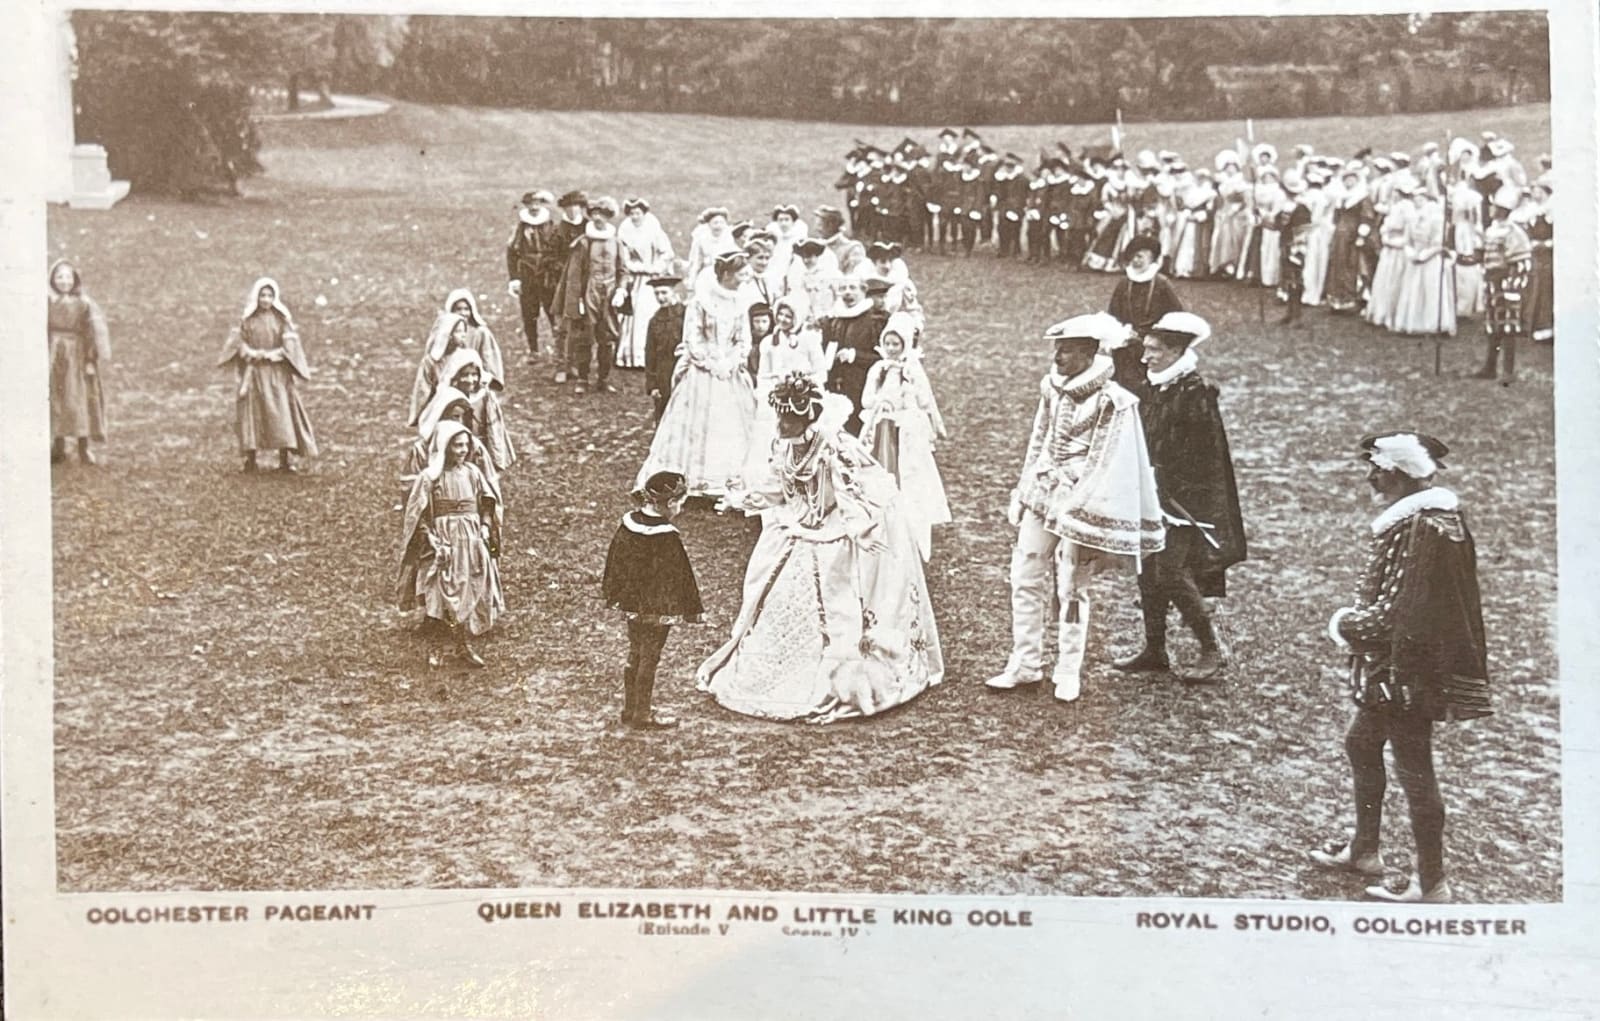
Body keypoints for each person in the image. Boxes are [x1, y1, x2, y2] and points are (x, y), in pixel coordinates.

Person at [700, 373, 944, 722]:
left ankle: (836, 676)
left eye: (789, 418)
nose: (782, 424)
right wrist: (741, 499)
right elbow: (776, 487)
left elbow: (852, 495)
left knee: (833, 597)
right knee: (773, 591)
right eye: (780, 416)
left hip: (833, 531)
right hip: (797, 527)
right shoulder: (783, 445)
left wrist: (860, 531)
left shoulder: (833, 448)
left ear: (807, 417)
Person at [1310, 430, 1490, 904]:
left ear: (1401, 475)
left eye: (1378, 469)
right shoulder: (1432, 519)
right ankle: (1365, 850)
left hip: (1406, 671)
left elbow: (1394, 612)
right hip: (1403, 666)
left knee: (1415, 769)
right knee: (1361, 742)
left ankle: (1432, 884)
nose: (1371, 476)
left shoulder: (1422, 528)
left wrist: (1345, 624)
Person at [987, 312, 1165, 704]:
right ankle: (1025, 662)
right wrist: (1023, 487)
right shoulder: (1050, 389)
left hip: (1079, 504)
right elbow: (1039, 440)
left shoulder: (1113, 400)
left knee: (1072, 588)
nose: (1058, 356)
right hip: (1042, 493)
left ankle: (1067, 669)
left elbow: (1107, 462)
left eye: (1066, 350)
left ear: (1088, 352)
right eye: (1057, 348)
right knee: (1025, 574)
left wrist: (1078, 508)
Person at [1114, 312, 1246, 684]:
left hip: (1185, 503)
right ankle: (1155, 649)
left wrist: (1173, 489)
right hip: (1155, 494)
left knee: (1170, 572)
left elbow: (1204, 456)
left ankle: (1212, 648)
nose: (1146, 357)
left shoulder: (1195, 394)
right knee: (1147, 571)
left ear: (1175, 350)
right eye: (1146, 349)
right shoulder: (1159, 387)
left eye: (1154, 350)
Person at [636, 252, 757, 499]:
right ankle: (695, 480)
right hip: (704, 371)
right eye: (740, 273)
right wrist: (712, 363)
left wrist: (732, 361)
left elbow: (744, 338)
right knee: (697, 425)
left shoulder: (740, 301)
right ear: (726, 274)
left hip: (730, 371)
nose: (745, 278)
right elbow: (692, 339)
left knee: (732, 425)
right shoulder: (700, 302)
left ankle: (729, 481)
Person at [396, 420, 503, 668]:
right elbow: (417, 515)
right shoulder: (430, 478)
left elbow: (487, 503)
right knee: (440, 593)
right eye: (457, 446)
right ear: (445, 447)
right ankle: (436, 648)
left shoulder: (473, 473)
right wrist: (431, 538)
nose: (463, 450)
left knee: (466, 590)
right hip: (443, 544)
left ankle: (462, 646)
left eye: (465, 445)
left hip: (471, 540)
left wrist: (485, 527)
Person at [602, 471, 704, 730]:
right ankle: (643, 714)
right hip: (658, 609)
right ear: (670, 503)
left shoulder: (628, 525)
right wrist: (693, 609)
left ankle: (630, 707)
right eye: (680, 504)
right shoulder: (667, 536)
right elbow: (682, 575)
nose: (680, 510)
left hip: (632, 605)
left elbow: (614, 562)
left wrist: (614, 594)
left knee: (635, 652)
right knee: (650, 656)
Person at [858, 313, 950, 562]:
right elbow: (866, 399)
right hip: (882, 428)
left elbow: (923, 401)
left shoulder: (911, 370)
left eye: (896, 344)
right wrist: (880, 401)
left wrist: (907, 389)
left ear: (905, 345)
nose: (890, 349)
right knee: (879, 471)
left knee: (907, 475)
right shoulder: (878, 369)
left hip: (905, 431)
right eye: (887, 343)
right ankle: (879, 521)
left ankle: (908, 521)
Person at [218, 277, 318, 473]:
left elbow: (290, 345)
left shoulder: (281, 320)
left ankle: (284, 460)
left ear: (275, 297)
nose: (265, 299)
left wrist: (274, 354)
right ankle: (251, 459)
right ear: (256, 297)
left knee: (281, 412)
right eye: (262, 295)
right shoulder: (247, 320)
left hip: (276, 374)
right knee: (252, 414)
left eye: (269, 295)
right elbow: (238, 342)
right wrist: (250, 353)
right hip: (254, 373)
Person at [553, 195, 623, 396]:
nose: (598, 218)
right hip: (588, 294)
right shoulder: (582, 243)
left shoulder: (616, 242)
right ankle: (583, 379)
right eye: (594, 214)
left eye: (602, 214)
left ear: (608, 217)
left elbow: (623, 270)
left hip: (609, 295)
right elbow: (574, 277)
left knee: (607, 339)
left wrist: (621, 290)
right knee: (584, 338)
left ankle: (603, 379)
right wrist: (579, 301)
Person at [47, 259, 111, 465]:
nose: (64, 281)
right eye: (59, 277)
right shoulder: (47, 302)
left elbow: (90, 332)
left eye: (68, 277)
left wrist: (90, 360)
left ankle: (84, 446)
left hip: (77, 355)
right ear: (52, 279)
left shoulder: (83, 303)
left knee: (79, 398)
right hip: (54, 354)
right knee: (57, 398)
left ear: (74, 280)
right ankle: (59, 445)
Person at [400, 385, 504, 507]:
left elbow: (489, 487)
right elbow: (410, 489)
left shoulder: (473, 447)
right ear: (439, 416)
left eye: (463, 417)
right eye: (455, 416)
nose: (459, 422)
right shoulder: (422, 449)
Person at [1106, 235, 1184, 391]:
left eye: (1140, 257)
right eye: (1133, 257)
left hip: (1153, 343)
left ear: (1152, 258)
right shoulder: (1124, 283)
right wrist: (1121, 333)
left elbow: (1176, 315)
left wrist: (1154, 335)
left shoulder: (1161, 284)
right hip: (1125, 345)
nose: (1136, 261)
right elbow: (1113, 314)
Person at [1473, 184, 1532, 383]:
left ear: (1501, 210)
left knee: (1508, 327)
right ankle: (1490, 367)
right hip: (1491, 281)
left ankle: (1508, 371)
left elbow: (1522, 261)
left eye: (1494, 206)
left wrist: (1512, 286)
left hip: (1507, 283)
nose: (1490, 209)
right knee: (1493, 324)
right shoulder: (1491, 229)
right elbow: (1482, 254)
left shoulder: (1514, 232)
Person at [614, 197, 676, 370]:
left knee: (648, 311)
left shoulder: (653, 228)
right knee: (631, 314)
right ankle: (630, 356)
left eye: (638, 213)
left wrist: (655, 267)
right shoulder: (625, 230)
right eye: (632, 213)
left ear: (644, 213)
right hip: (634, 278)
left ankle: (651, 355)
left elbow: (667, 253)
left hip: (651, 278)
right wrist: (634, 267)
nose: (635, 217)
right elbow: (623, 255)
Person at [821, 275, 885, 435]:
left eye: (852, 288)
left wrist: (854, 356)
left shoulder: (874, 321)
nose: (847, 293)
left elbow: (882, 358)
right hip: (836, 384)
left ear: (863, 291)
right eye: (843, 288)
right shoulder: (834, 320)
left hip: (862, 386)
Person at [437, 347, 515, 473]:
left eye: (474, 375)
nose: (470, 380)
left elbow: (493, 427)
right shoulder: (447, 397)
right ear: (455, 376)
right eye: (465, 375)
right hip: (457, 447)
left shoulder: (484, 396)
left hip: (481, 446)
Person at [506, 189, 563, 359]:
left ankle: (559, 349)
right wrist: (515, 278)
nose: (534, 207)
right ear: (526, 206)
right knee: (529, 314)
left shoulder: (552, 226)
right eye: (531, 204)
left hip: (548, 276)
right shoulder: (521, 228)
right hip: (527, 276)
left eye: (538, 203)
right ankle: (533, 350)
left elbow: (559, 251)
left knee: (553, 312)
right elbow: (512, 253)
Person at [549, 190, 589, 384]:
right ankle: (561, 366)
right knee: (562, 326)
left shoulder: (589, 227)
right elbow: (551, 257)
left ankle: (574, 363)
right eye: (569, 207)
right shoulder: (558, 230)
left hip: (585, 282)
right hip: (562, 284)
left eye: (577, 206)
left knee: (581, 327)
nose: (573, 210)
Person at [408, 311, 471, 427]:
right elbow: (423, 390)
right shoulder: (430, 362)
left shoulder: (466, 357)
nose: (463, 335)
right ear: (447, 334)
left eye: (464, 331)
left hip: (463, 408)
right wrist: (422, 416)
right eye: (458, 331)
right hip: (439, 409)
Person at [443, 288, 506, 392]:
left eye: (466, 309)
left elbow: (489, 360)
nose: (463, 313)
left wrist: (484, 378)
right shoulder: (444, 334)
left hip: (475, 383)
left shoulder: (480, 333)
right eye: (458, 309)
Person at [643, 273, 686, 422]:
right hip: (663, 373)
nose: (660, 297)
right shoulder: (654, 321)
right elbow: (650, 354)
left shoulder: (685, 315)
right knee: (663, 412)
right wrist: (652, 385)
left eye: (664, 293)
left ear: (673, 292)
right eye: (657, 293)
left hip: (683, 370)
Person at [1524, 175, 1554, 345]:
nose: (1534, 193)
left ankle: (1545, 328)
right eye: (1533, 190)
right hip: (1535, 256)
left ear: (1545, 192)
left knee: (1545, 290)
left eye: (1537, 190)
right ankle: (1531, 325)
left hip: (1547, 257)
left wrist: (1543, 244)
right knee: (1533, 287)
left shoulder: (1551, 212)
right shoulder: (1533, 210)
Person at [786, 237, 839, 326]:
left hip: (829, 319)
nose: (806, 261)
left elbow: (838, 297)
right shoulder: (800, 277)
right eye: (803, 257)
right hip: (809, 321)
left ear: (817, 255)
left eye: (809, 257)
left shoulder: (830, 274)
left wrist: (830, 314)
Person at [685, 207, 738, 288]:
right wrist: (692, 280)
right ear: (709, 225)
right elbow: (696, 262)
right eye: (715, 223)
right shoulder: (702, 239)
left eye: (721, 223)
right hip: (708, 272)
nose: (719, 226)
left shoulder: (728, 238)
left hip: (725, 273)